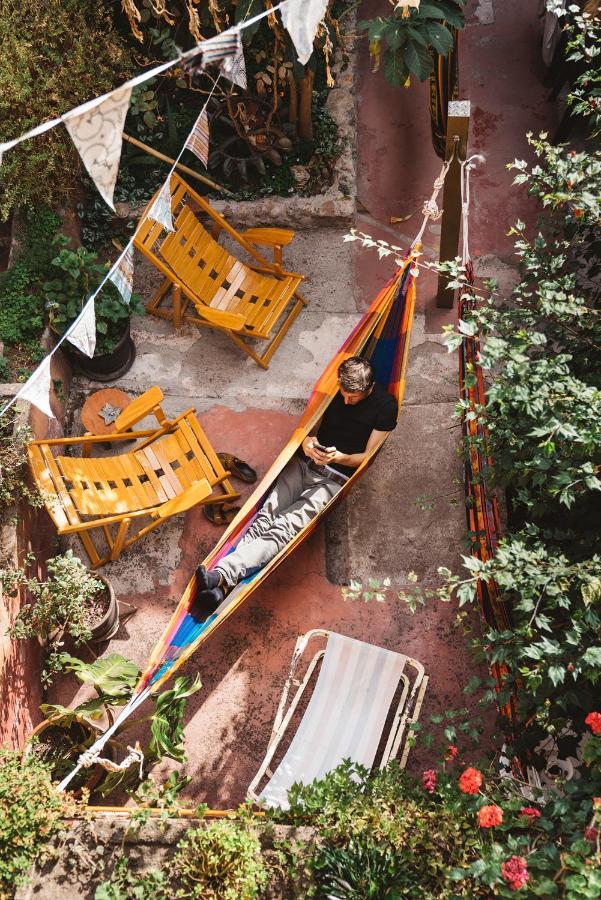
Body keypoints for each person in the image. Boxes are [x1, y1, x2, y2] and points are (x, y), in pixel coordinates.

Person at [194, 356, 398, 609]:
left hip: (333, 479)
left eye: (353, 398)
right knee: (266, 515)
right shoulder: (333, 390)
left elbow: (367, 457)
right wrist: (308, 443)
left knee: (284, 527)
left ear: (369, 388)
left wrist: (339, 457)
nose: (346, 401)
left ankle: (223, 574)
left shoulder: (386, 406)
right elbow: (311, 427)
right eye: (344, 394)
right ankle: (221, 588)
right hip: (303, 463)